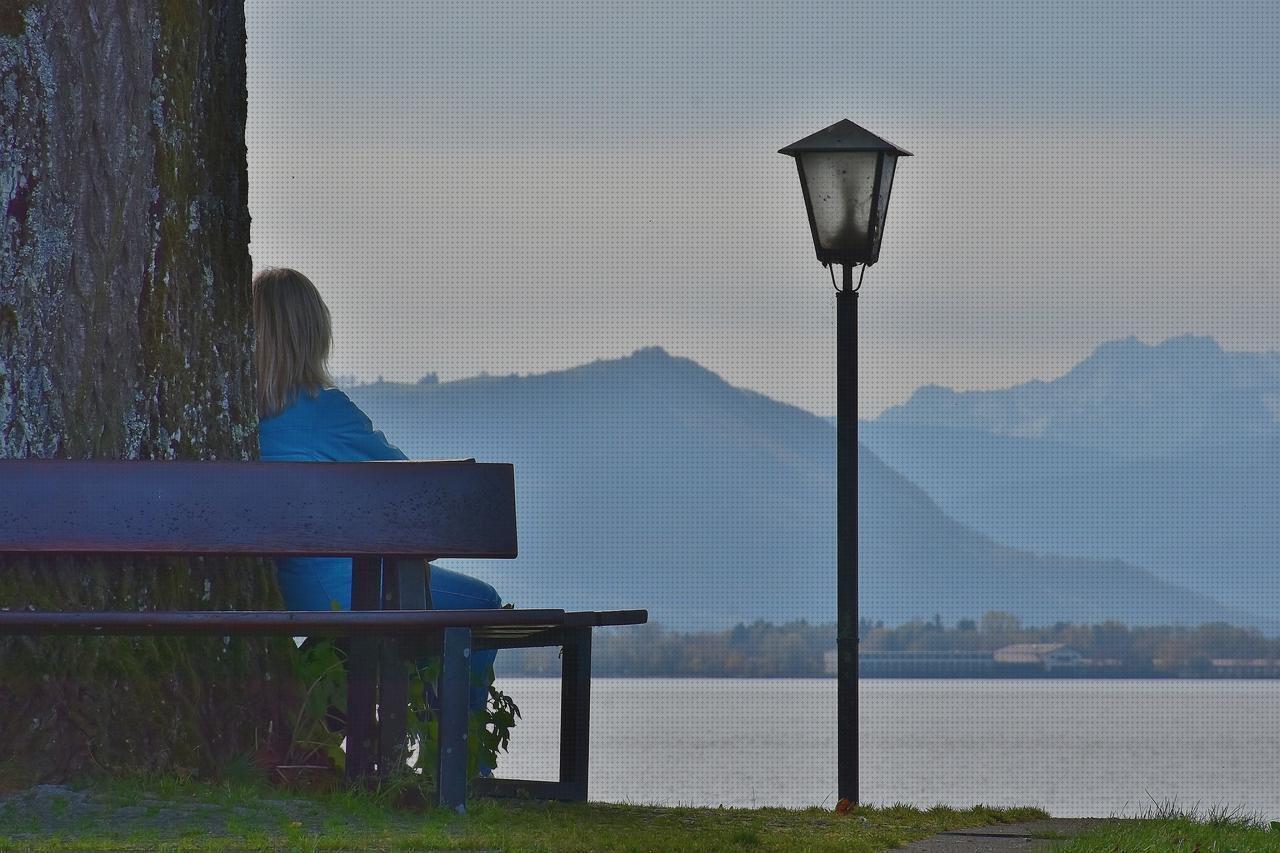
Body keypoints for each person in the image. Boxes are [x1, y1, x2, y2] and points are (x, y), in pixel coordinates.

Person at [251, 266, 504, 744]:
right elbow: (408, 488)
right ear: (313, 334)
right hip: (339, 591)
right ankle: (456, 763)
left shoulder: (236, 413)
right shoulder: (323, 412)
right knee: (483, 607)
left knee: (396, 622)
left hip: (280, 589)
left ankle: (372, 743)